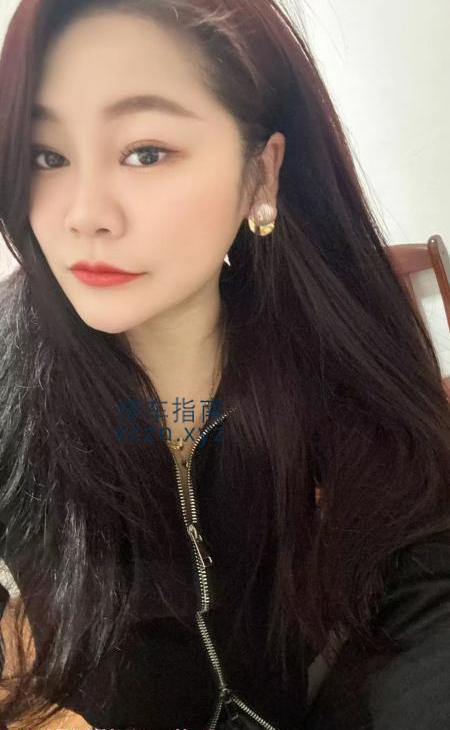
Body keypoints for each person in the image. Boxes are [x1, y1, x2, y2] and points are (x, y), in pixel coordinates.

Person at [0, 0, 449, 728]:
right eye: (46, 156)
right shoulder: (11, 368)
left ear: (261, 174)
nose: (83, 214)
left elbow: (425, 561)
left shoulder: (333, 335)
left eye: (146, 152)